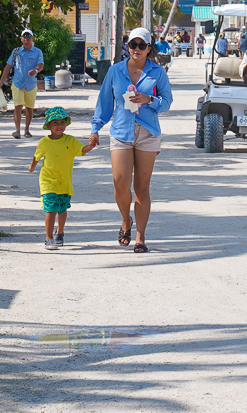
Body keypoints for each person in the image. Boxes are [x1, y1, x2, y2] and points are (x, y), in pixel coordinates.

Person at [86, 27, 172, 252]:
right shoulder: (115, 71)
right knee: (120, 183)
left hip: (147, 133)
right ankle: (126, 220)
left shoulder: (157, 72)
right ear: (127, 47)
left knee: (142, 187)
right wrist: (95, 129)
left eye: (141, 45)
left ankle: (141, 237)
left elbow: (167, 101)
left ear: (148, 48)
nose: (136, 49)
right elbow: (104, 104)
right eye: (132, 45)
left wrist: (149, 99)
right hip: (121, 132)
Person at [31, 106, 85, 250]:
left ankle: (59, 232)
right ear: (48, 125)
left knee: (62, 208)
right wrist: (31, 167)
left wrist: (91, 144)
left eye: (62, 122)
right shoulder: (44, 142)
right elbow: (36, 156)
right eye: (55, 123)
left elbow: (82, 150)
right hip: (48, 181)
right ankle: (48, 238)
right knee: (51, 208)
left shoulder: (70, 141)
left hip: (64, 182)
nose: (59, 126)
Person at [4, 28, 46, 139]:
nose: (27, 39)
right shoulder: (16, 51)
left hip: (31, 84)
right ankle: (17, 130)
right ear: (21, 39)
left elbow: (41, 64)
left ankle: (26, 130)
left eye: (29, 37)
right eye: (25, 37)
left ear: (32, 38)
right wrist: (0, 81)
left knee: (29, 108)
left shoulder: (37, 52)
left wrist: (35, 71)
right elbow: (8, 66)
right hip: (17, 82)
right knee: (17, 106)